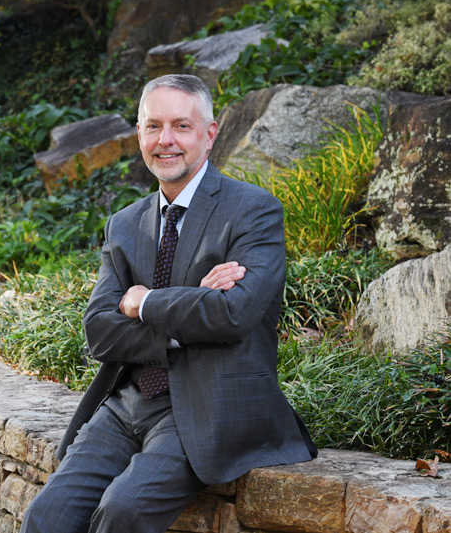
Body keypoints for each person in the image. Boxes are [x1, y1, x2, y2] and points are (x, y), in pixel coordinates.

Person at [20, 74, 317, 533]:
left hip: (208, 406)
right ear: (139, 133)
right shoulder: (124, 224)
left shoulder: (253, 211)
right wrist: (194, 304)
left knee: (123, 512)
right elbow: (99, 329)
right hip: (127, 403)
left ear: (210, 134)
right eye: (153, 126)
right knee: (46, 516)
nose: (165, 140)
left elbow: (233, 314)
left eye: (181, 126)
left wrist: (144, 302)